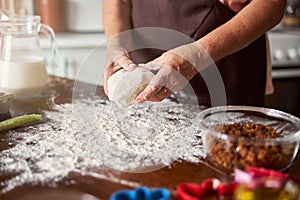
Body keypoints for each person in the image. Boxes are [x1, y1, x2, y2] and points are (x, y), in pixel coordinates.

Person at [102, 0, 286, 107]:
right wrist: (116, 43)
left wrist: (198, 55)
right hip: (144, 69)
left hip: (224, 66)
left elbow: (273, 4)